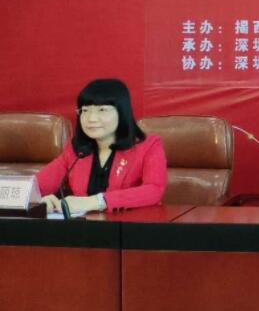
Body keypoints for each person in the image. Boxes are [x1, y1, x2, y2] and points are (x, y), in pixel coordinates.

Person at [37, 78, 167, 214]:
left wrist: (96, 201)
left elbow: (154, 190)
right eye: (85, 110)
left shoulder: (148, 146)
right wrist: (41, 200)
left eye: (102, 110)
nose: (91, 119)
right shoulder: (77, 149)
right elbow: (36, 186)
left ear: (122, 112)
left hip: (129, 225)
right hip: (84, 225)